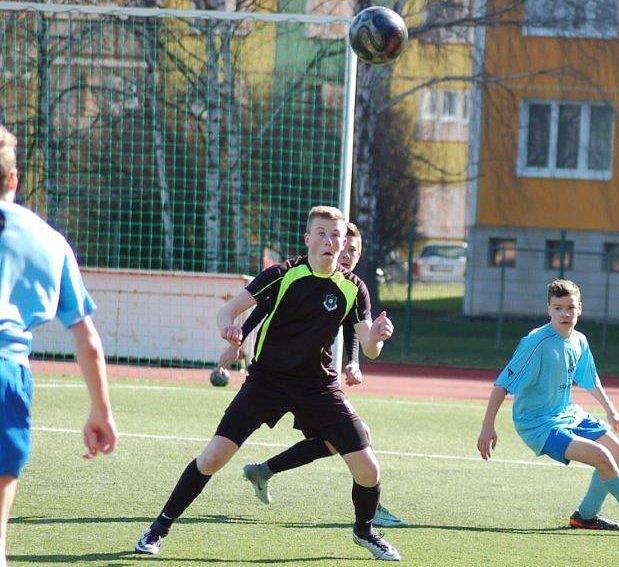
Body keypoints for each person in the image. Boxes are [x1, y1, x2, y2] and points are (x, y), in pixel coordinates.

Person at [136, 206, 401, 561]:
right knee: (213, 458)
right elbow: (227, 310)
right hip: (267, 382)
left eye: (335, 235)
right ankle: (158, 528)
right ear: (308, 239)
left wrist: (380, 336)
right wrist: (229, 330)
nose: (329, 241)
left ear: (343, 244)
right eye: (321, 233)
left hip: (318, 387)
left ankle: (365, 531)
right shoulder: (281, 274)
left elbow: (369, 346)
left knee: (369, 470)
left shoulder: (354, 288)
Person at [477, 279, 619, 533]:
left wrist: (611, 411)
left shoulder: (579, 340)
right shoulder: (535, 343)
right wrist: (488, 427)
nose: (565, 313)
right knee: (602, 456)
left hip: (568, 414)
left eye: (570, 307)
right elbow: (502, 384)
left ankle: (585, 517)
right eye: (558, 307)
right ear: (548, 310)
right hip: (537, 423)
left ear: (580, 309)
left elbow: (590, 379)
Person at [0, 126, 118, 566]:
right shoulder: (48, 241)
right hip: (7, 376)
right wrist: (101, 411)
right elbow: (87, 340)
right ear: (14, 180)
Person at [235, 222, 404, 528]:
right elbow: (264, 306)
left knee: (348, 438)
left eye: (354, 250)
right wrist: (238, 339)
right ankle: (370, 506)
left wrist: (356, 359)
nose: (347, 255)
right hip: (286, 379)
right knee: (351, 437)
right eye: (344, 247)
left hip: (316, 383)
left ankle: (265, 471)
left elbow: (355, 331)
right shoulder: (299, 278)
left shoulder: (350, 288)